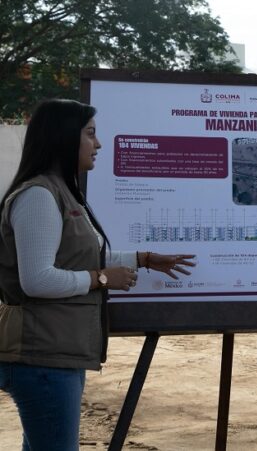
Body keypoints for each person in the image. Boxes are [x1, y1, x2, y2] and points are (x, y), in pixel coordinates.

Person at [0, 99, 196, 450]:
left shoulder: (61, 191)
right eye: (90, 134)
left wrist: (144, 259)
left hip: (55, 352)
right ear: (63, 137)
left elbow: (79, 256)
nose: (99, 144)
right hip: (41, 356)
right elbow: (37, 279)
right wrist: (102, 278)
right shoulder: (39, 196)